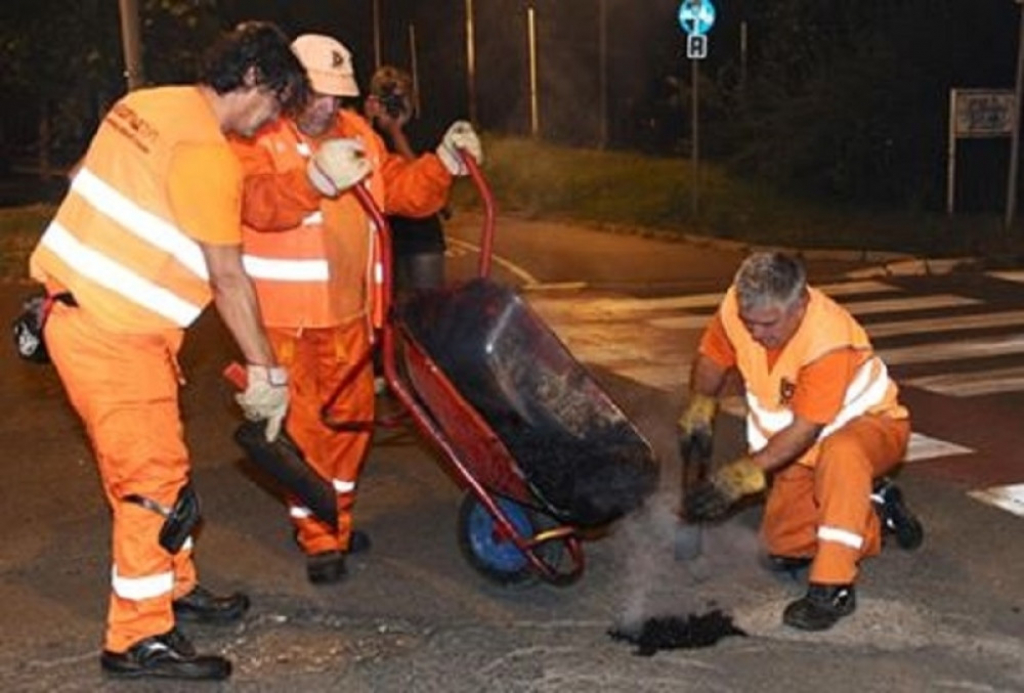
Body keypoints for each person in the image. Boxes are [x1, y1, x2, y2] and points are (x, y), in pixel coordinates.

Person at [27, 21, 308, 681]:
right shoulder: (206, 153)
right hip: (115, 335)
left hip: (74, 314)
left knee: (152, 467)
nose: (271, 123)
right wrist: (267, 371)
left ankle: (173, 585)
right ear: (254, 81)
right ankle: (137, 636)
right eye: (274, 105)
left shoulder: (142, 106)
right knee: (151, 484)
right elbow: (230, 277)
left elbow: (81, 179)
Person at [230, 33, 482, 586]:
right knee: (305, 435)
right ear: (290, 85)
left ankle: (334, 519)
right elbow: (255, 203)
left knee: (351, 428)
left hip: (348, 317)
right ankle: (320, 536)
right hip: (282, 322)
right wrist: (313, 181)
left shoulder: (357, 132)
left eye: (337, 97)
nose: (327, 108)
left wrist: (441, 163)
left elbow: (400, 190)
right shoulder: (258, 136)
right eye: (316, 94)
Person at [679, 251, 923, 631]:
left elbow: (807, 428)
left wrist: (740, 476)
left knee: (842, 455)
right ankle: (876, 509)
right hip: (801, 451)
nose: (756, 334)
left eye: (768, 324)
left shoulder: (828, 340)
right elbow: (713, 355)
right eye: (749, 323)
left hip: (871, 428)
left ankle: (833, 588)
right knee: (781, 549)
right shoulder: (736, 309)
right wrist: (700, 404)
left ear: (800, 305)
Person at [364, 65, 448, 292]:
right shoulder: (365, 132)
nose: (396, 106)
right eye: (389, 100)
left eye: (401, 99)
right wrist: (368, 121)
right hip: (385, 232)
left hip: (422, 233)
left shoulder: (424, 128)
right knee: (389, 306)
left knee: (428, 305)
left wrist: (395, 131)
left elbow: (421, 176)